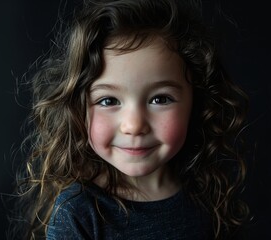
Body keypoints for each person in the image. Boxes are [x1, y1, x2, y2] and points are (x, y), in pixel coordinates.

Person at [12, 0, 249, 239]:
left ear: (197, 102)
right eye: (108, 101)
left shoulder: (205, 196)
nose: (134, 125)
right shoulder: (79, 211)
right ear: (77, 108)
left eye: (160, 99)